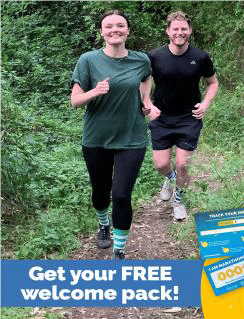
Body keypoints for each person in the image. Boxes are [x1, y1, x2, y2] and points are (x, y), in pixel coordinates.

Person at [70, 10, 151, 259]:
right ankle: (103, 224)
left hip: (132, 137)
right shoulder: (88, 60)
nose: (114, 30)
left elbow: (146, 79)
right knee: (100, 191)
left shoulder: (141, 60)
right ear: (101, 31)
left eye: (120, 25)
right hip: (96, 139)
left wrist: (145, 100)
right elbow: (75, 101)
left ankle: (119, 250)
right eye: (109, 26)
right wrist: (94, 92)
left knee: (122, 194)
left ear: (128, 30)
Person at [141, 11, 219, 220]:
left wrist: (206, 104)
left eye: (183, 29)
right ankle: (170, 178)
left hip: (189, 117)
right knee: (160, 164)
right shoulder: (155, 56)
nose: (179, 33)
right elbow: (144, 80)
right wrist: (147, 103)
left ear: (190, 31)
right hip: (162, 117)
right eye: (175, 29)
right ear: (168, 31)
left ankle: (179, 200)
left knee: (183, 164)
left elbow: (212, 83)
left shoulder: (200, 57)